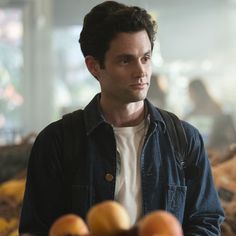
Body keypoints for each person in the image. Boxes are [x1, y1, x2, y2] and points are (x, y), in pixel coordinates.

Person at [19, 1, 224, 235]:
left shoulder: (184, 139)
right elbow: (35, 229)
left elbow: (206, 222)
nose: (141, 72)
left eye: (145, 58)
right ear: (94, 66)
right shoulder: (57, 142)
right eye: (125, 60)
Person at [184, 78, 236, 149]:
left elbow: (231, 136)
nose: (189, 96)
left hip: (217, 152)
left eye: (190, 92)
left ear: (197, 93)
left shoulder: (219, 111)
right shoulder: (192, 114)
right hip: (206, 151)